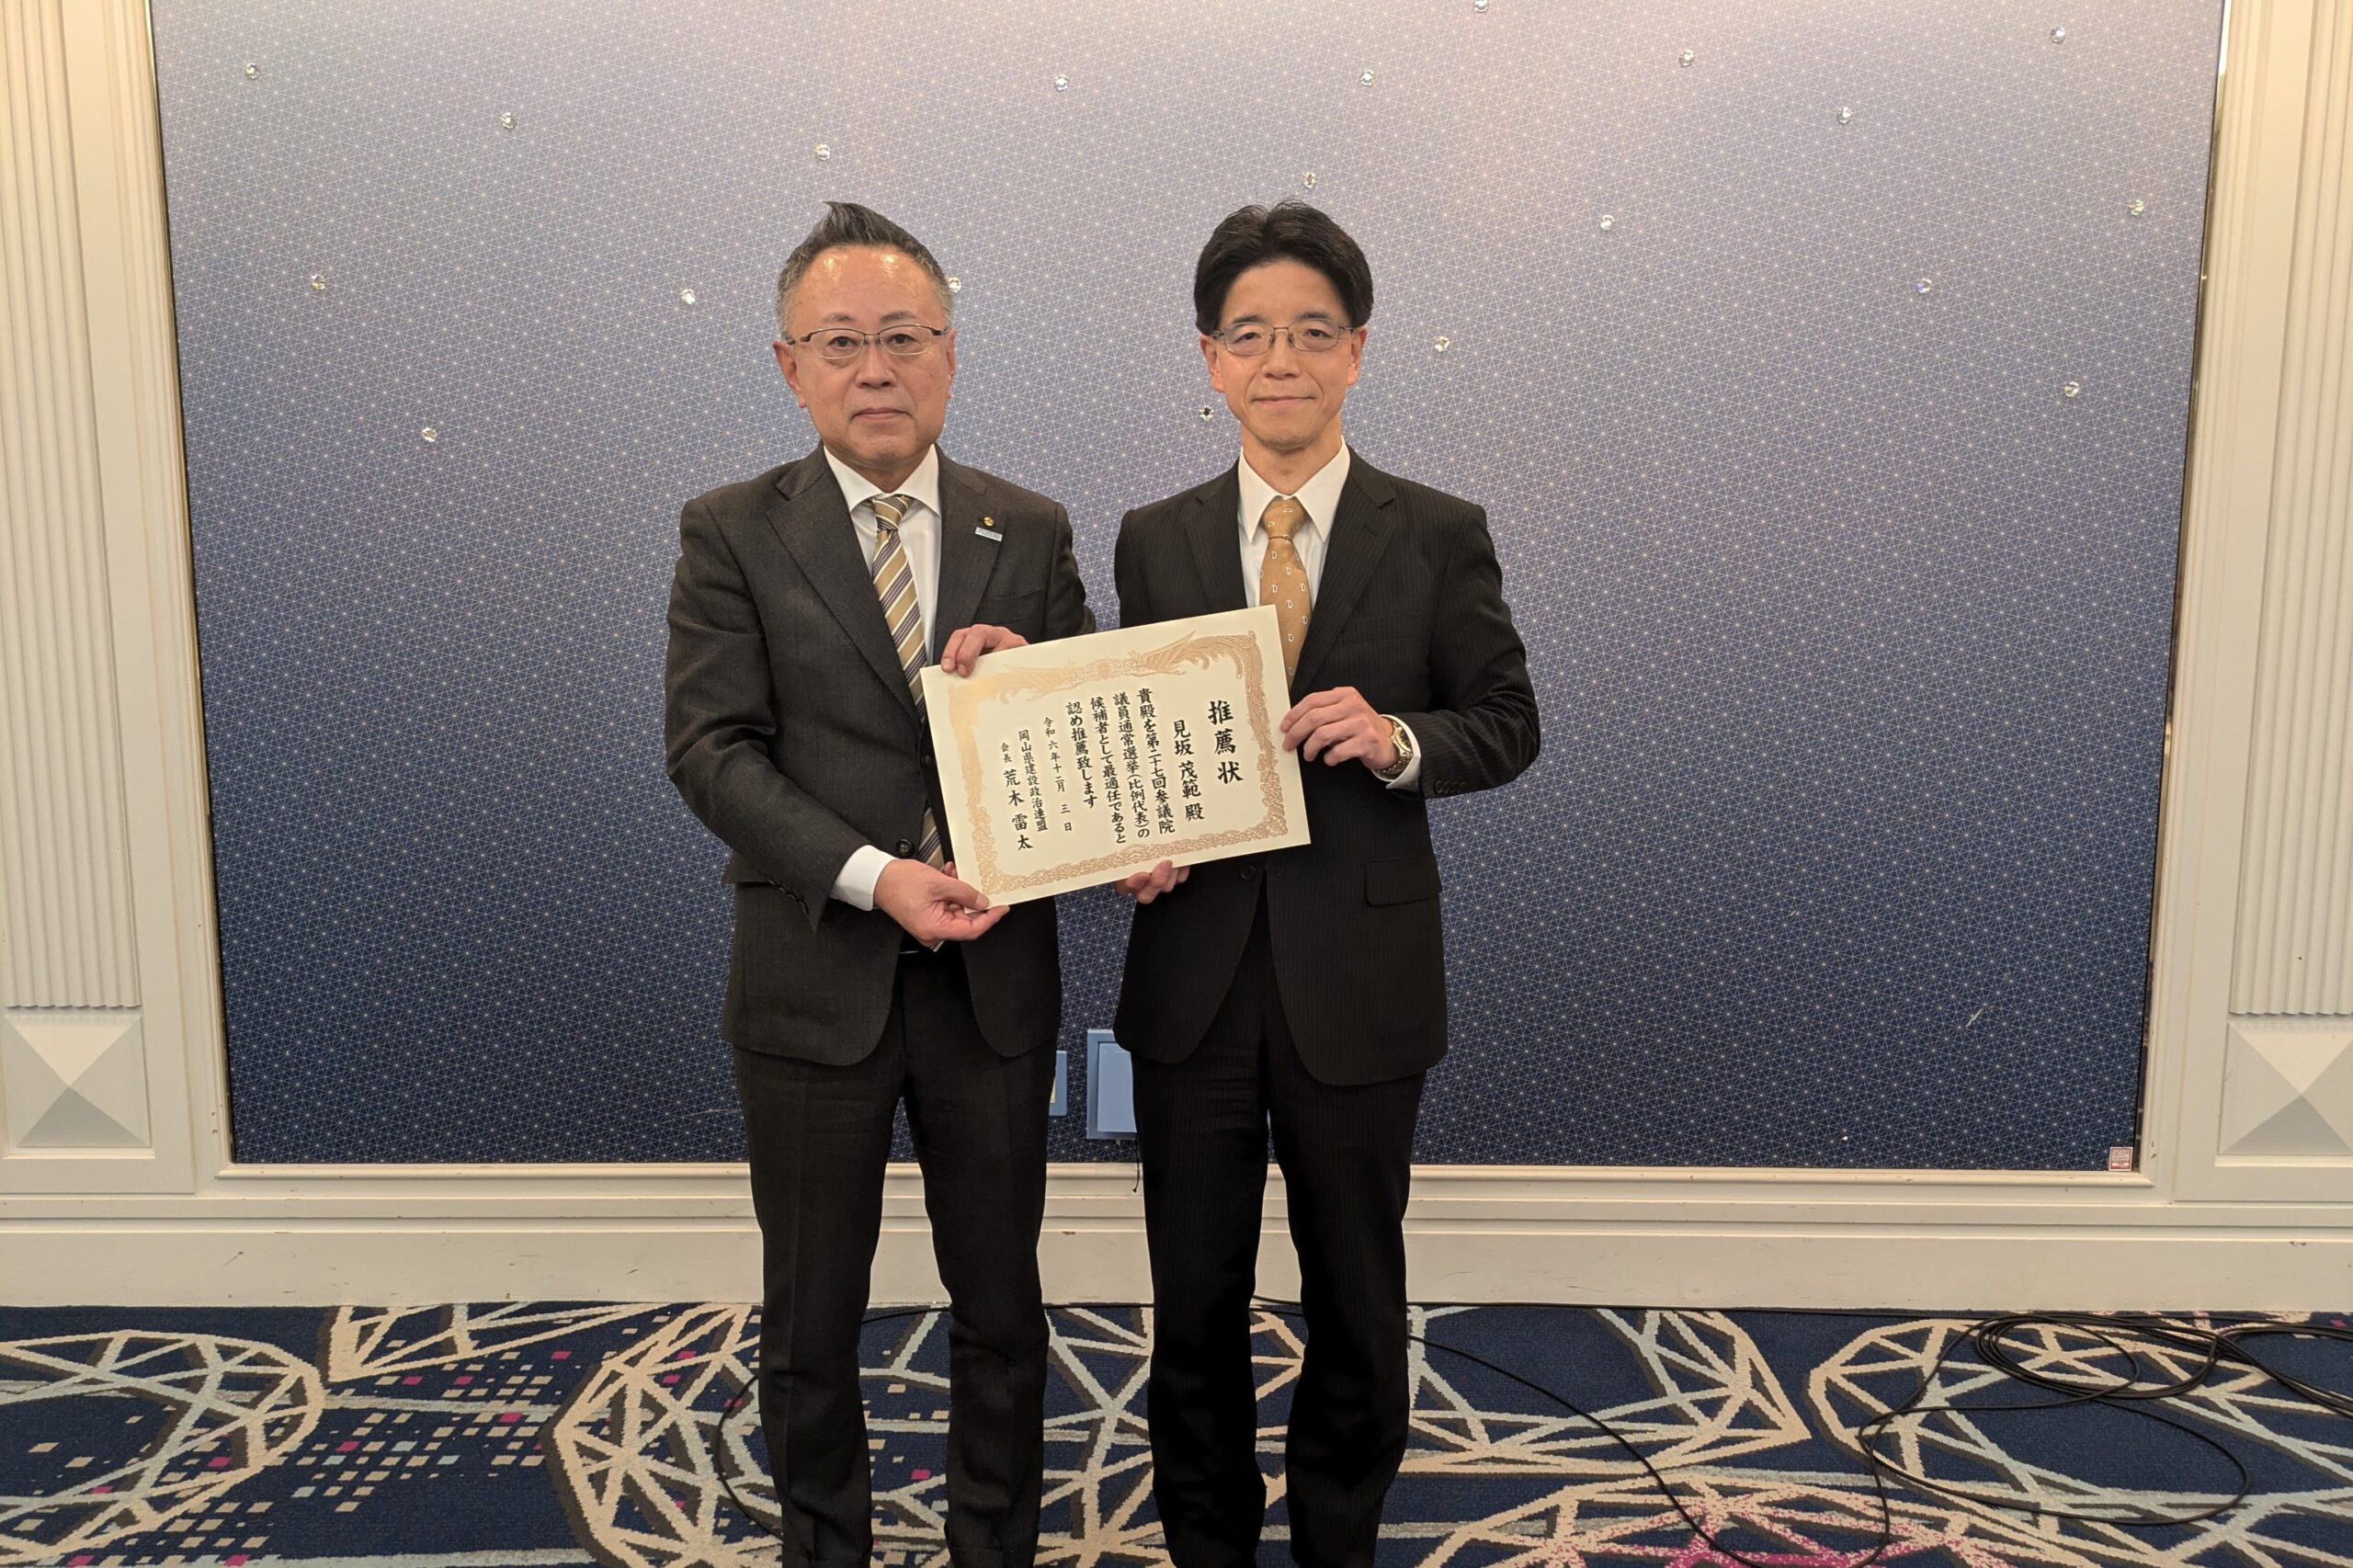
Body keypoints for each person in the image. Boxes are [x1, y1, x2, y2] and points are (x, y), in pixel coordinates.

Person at [1110, 201, 1539, 1568]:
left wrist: (1399, 738)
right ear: (1209, 360)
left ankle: (1338, 1538)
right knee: (1192, 1298)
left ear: (1356, 350)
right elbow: (1134, 736)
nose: (1279, 360)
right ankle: (1208, 1542)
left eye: (1310, 331)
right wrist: (1128, 835)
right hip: (1192, 976)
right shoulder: (1153, 537)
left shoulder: (1439, 531)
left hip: (1361, 977)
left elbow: (1508, 722)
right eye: (1249, 335)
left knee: (1358, 1292)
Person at [664, 200, 1090, 1568]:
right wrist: (873, 877)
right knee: (810, 1320)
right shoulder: (733, 530)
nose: (876, 368)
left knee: (1003, 1309)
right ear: (789, 365)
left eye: (904, 337)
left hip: (992, 985)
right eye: (840, 342)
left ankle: (994, 1548)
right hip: (812, 978)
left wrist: (1031, 678)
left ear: (951, 352)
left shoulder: (1031, 527)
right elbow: (711, 751)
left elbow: (1081, 742)